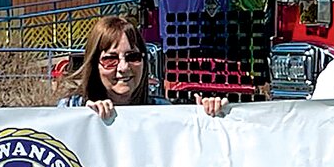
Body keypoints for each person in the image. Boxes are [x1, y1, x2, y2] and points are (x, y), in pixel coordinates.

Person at [59, 15, 223, 117]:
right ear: (94, 64)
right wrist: (83, 118)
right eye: (110, 59)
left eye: (133, 57)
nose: (123, 67)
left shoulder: (164, 111)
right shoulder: (69, 107)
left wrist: (207, 118)